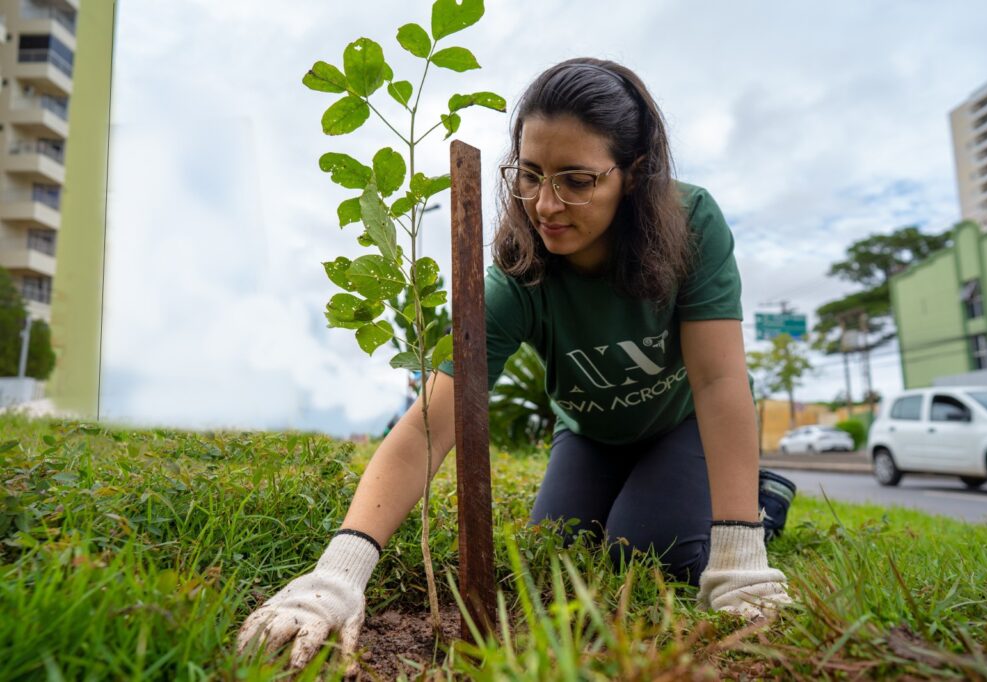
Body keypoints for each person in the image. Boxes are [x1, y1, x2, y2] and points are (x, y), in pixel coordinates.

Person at [236, 57, 797, 670]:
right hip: (589, 434)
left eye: (576, 181)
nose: (545, 205)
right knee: (556, 554)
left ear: (632, 175)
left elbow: (718, 381)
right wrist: (337, 576)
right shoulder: (517, 279)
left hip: (680, 424)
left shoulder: (692, 224)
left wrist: (740, 555)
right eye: (529, 175)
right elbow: (430, 424)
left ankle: (761, 505)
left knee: (650, 547)